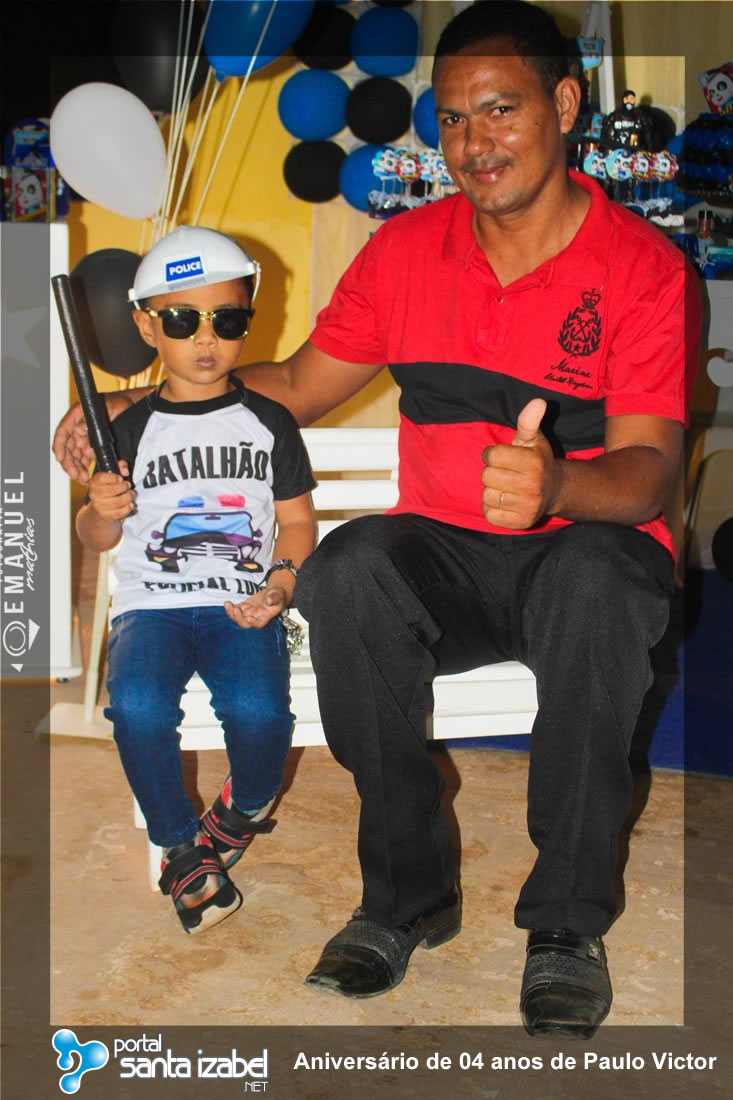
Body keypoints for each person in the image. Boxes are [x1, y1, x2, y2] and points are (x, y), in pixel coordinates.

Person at [55, 1, 700, 1035]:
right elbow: (295, 387)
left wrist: (558, 488)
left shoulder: (643, 267)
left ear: (564, 103)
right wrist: (135, 402)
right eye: (451, 119)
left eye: (500, 110)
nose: (473, 143)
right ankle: (404, 899)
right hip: (446, 555)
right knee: (349, 569)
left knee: (597, 582)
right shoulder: (404, 251)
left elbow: (649, 474)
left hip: (582, 550)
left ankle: (565, 925)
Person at [74, 225, 316, 934]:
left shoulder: (269, 422)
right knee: (138, 707)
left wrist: (280, 585)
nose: (205, 338)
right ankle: (180, 847)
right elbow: (96, 538)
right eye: (182, 320)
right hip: (150, 606)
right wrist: (99, 510)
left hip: (242, 602)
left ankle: (244, 808)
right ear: (147, 326)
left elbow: (296, 522)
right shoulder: (126, 430)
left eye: (227, 320)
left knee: (261, 714)